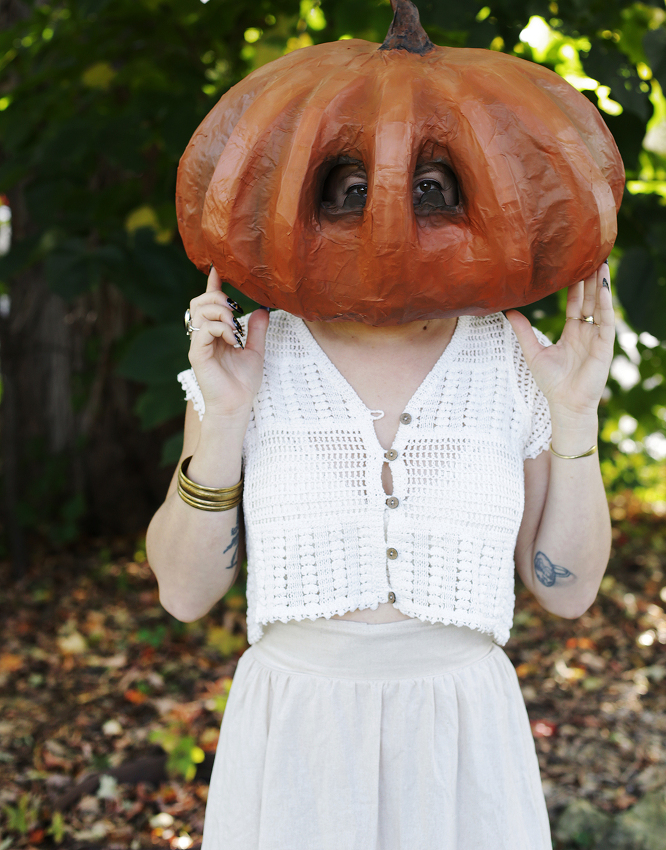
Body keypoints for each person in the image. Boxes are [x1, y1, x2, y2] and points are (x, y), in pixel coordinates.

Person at [146, 158, 614, 850]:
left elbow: (568, 591)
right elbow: (185, 594)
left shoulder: (517, 360)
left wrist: (574, 416)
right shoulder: (249, 355)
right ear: (313, 215)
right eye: (355, 191)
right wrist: (224, 417)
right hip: (299, 735)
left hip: (462, 735)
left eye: (429, 189)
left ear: (466, 213)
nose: (391, 210)